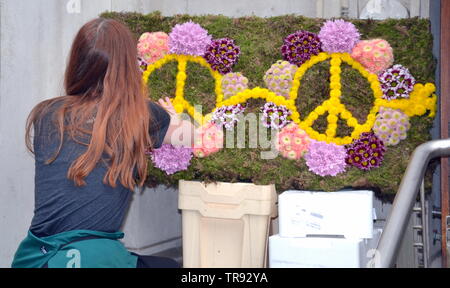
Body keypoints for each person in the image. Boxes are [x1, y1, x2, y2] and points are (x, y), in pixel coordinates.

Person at [11, 18, 194, 268]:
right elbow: (189, 135)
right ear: (128, 66)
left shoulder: (46, 113)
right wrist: (173, 116)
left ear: (77, 62)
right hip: (92, 258)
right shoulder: (141, 114)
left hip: (34, 258)